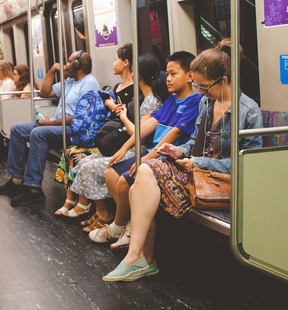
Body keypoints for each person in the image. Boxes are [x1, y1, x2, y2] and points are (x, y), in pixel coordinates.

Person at [102, 40, 263, 282]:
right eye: (197, 86)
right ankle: (137, 258)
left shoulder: (248, 111)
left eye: (205, 87)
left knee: (139, 186)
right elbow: (195, 144)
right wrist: (180, 152)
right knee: (143, 174)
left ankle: (141, 259)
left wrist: (198, 162)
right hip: (199, 172)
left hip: (224, 180)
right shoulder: (208, 103)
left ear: (223, 80)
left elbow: (247, 164)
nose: (201, 93)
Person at [88, 51, 200, 246]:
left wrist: (144, 159)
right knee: (110, 174)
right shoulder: (172, 101)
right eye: (167, 74)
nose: (168, 79)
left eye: (174, 74)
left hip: (167, 157)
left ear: (190, 76)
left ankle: (121, 227)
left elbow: (171, 137)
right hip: (153, 153)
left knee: (124, 182)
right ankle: (127, 225)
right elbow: (147, 127)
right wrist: (124, 148)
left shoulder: (195, 102)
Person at [0, 50, 100, 206]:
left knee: (38, 133)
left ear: (77, 65)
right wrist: (52, 70)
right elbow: (45, 92)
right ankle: (17, 179)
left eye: (69, 62)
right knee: (16, 129)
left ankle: (33, 189)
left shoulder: (89, 83)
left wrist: (50, 123)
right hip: (58, 124)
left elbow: (82, 117)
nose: (66, 65)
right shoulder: (69, 82)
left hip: (74, 129)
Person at [55, 43, 135, 218]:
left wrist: (113, 107)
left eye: (116, 60)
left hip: (122, 139)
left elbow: (127, 116)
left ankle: (93, 208)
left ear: (126, 63)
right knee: (69, 152)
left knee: (81, 159)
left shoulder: (134, 91)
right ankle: (73, 201)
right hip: (111, 135)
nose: (113, 63)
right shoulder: (116, 88)